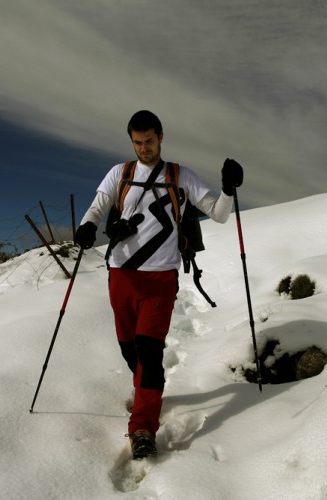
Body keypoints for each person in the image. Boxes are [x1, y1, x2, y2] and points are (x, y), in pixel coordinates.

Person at [74, 110, 243, 459]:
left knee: (149, 352)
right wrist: (88, 226)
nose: (144, 148)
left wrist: (228, 189)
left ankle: (142, 427)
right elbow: (98, 205)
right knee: (129, 350)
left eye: (149, 141)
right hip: (120, 274)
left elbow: (220, 213)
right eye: (137, 142)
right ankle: (148, 390)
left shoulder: (180, 176)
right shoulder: (119, 173)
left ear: (161, 137)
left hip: (160, 278)